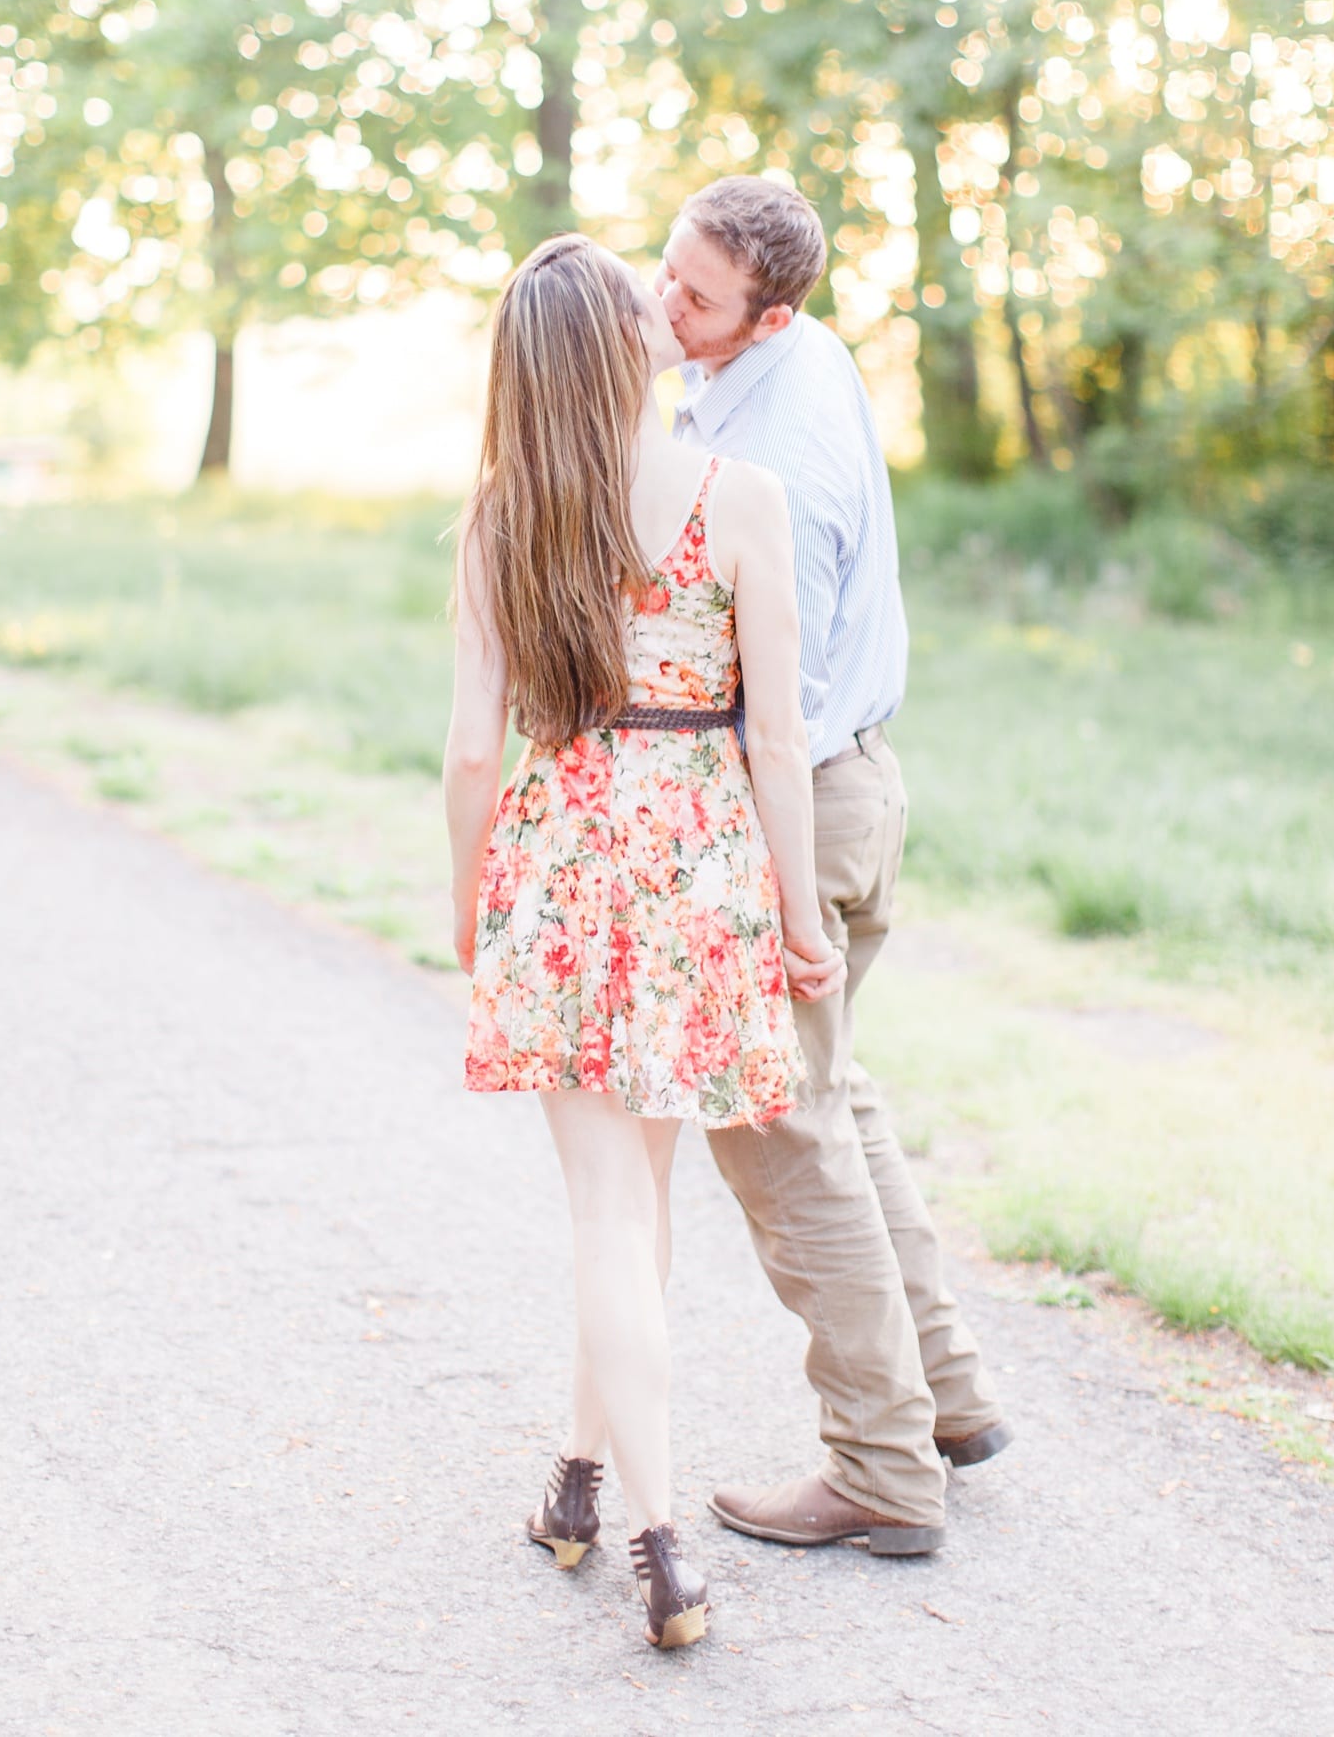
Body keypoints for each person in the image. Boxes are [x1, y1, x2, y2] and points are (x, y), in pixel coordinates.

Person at [443, 233, 846, 1650]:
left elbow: (471, 761)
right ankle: (618, 1507)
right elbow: (779, 741)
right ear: (626, 348)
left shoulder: (506, 511)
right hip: (693, 861)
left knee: (612, 1210)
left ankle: (626, 1513)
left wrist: (469, 908)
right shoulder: (743, 498)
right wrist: (802, 920)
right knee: (636, 1206)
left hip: (559, 861)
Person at [655, 175, 1012, 1558]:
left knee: (778, 1131)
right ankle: (951, 1397)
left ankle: (879, 1467)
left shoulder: (779, 481)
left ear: (775, 310)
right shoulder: (791, 356)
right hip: (862, 783)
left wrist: (786, 906)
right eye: (666, 269)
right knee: (833, 1093)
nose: (664, 302)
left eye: (694, 296)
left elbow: (765, 718)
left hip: (800, 800)